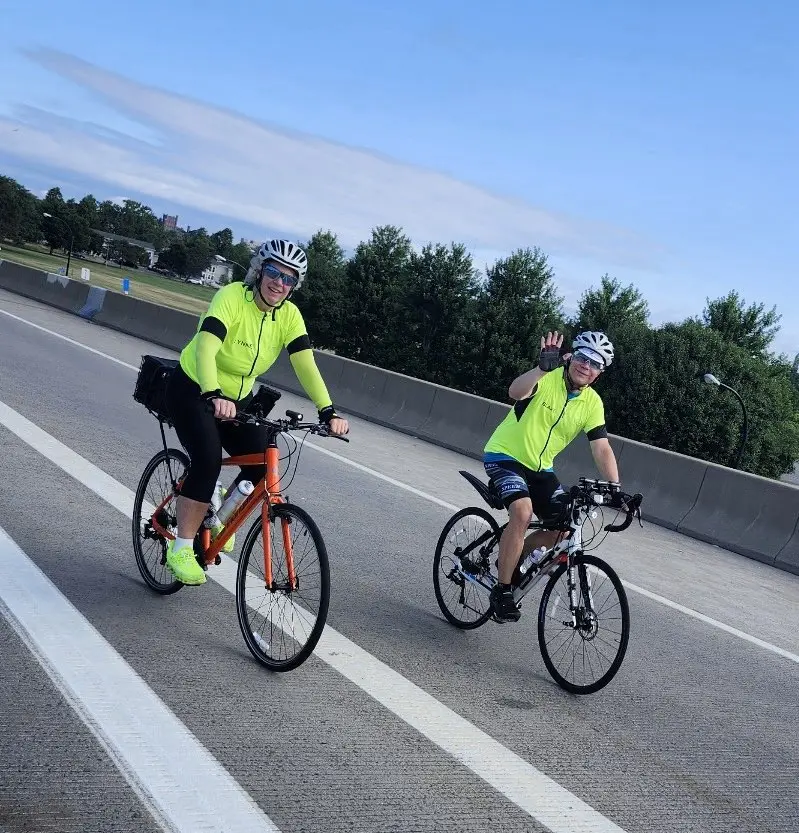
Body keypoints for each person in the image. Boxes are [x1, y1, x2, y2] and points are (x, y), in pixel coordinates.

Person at [163, 239, 349, 586]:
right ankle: (182, 547)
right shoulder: (232, 297)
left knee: (263, 460)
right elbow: (206, 346)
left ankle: (217, 514)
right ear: (259, 271)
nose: (279, 283)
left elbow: (305, 364)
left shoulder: (289, 316)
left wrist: (328, 411)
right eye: (274, 272)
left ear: (294, 286)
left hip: (238, 398)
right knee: (208, 460)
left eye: (289, 278)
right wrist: (212, 392)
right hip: (194, 387)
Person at [483, 330, 620, 622]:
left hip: (541, 469)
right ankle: (502, 590)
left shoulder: (592, 403)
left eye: (595, 363)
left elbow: (601, 447)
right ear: (571, 357)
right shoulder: (547, 377)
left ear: (599, 373)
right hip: (505, 456)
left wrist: (615, 487)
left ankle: (510, 561)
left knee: (565, 529)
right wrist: (539, 369)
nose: (586, 366)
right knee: (522, 511)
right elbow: (515, 392)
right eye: (583, 357)